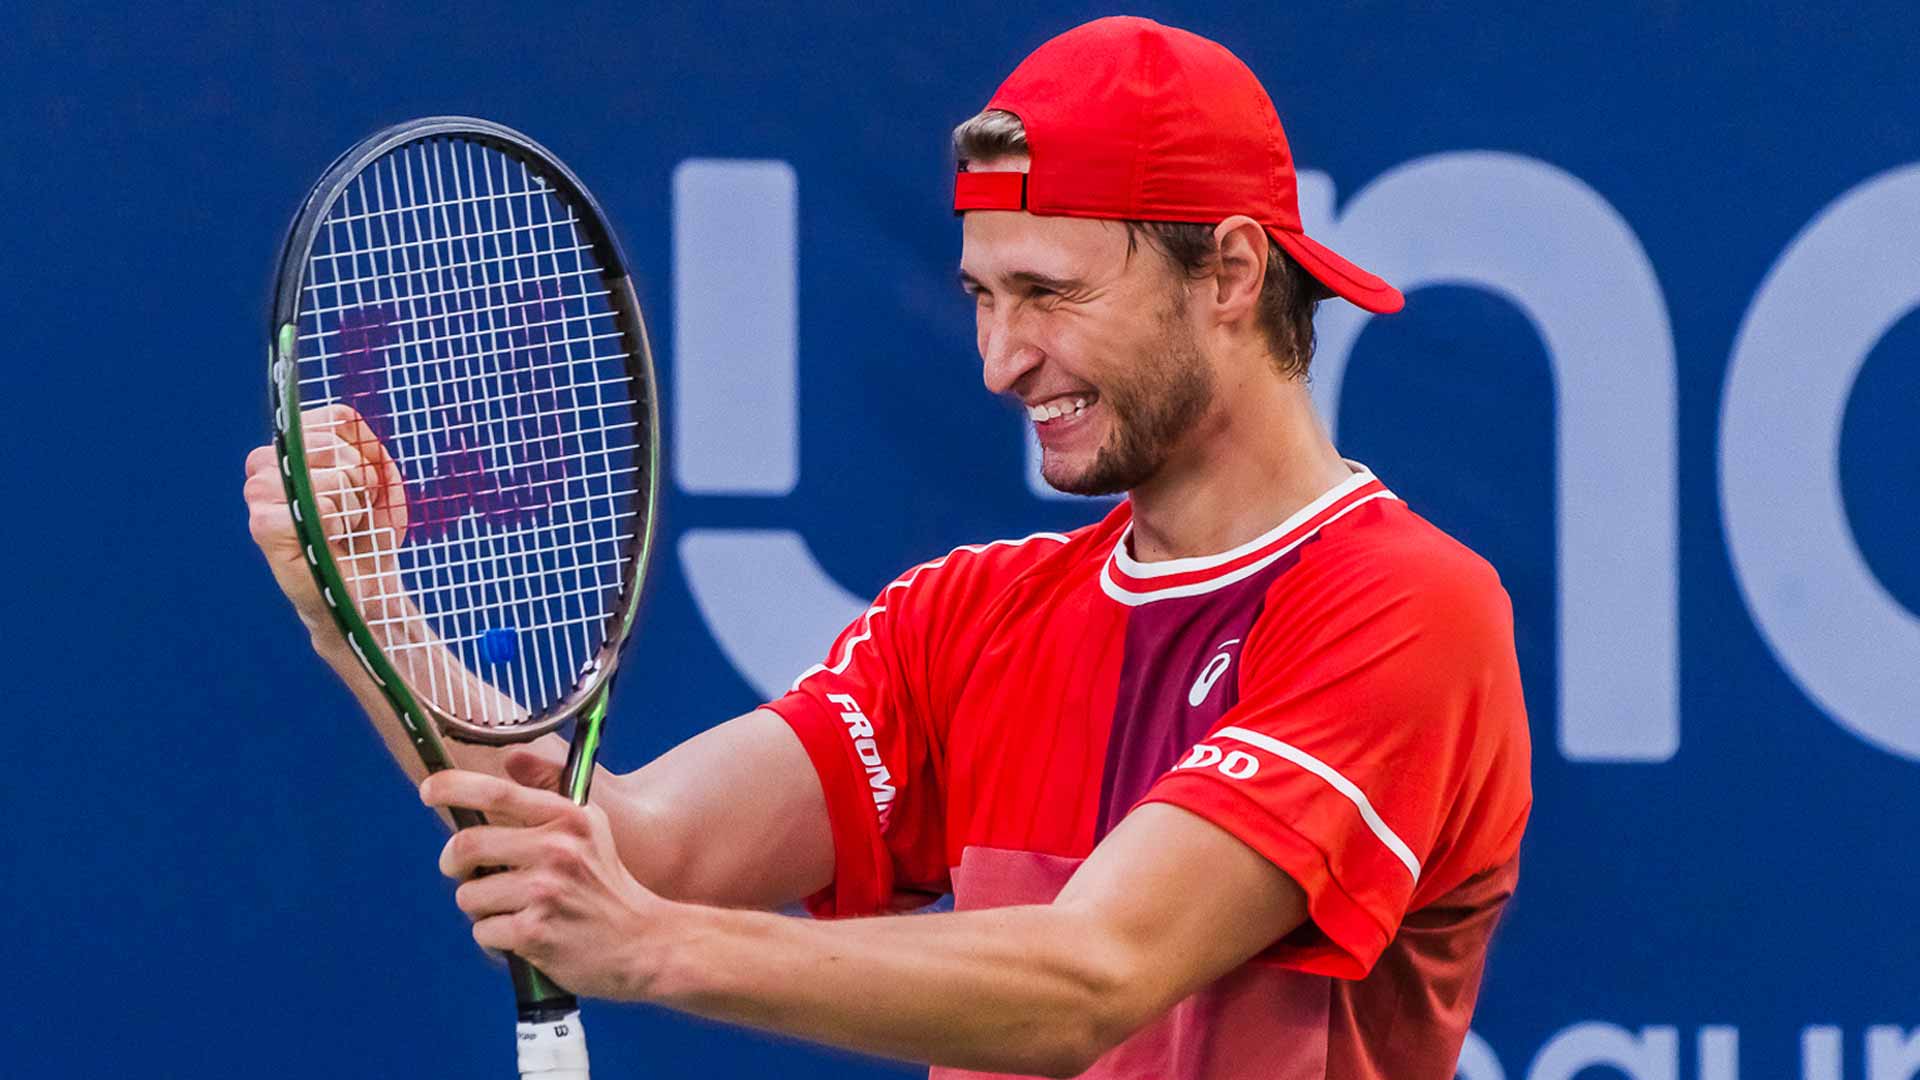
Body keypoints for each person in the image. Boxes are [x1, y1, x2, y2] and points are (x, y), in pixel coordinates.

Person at [243, 15, 1529, 1079]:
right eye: (982, 295)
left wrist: (652, 950)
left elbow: (1095, 975)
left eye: (1049, 292)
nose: (1000, 360)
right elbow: (629, 848)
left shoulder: (1405, 606)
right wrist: (358, 605)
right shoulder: (966, 619)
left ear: (1231, 274)